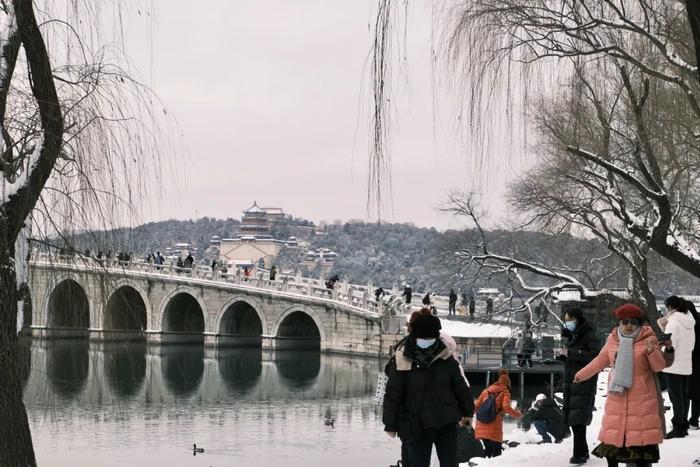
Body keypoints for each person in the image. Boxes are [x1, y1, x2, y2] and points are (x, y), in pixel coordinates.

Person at [574, 303, 667, 467]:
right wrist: (581, 375)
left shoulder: (648, 339)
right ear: (619, 323)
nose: (629, 326)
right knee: (614, 448)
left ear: (639, 323)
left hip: (642, 402)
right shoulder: (612, 340)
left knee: (639, 454)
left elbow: (659, 367)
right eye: (625, 322)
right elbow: (600, 361)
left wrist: (652, 351)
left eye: (633, 322)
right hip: (617, 400)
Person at [383, 314, 474, 467]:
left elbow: (460, 387)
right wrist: (390, 424)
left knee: (450, 463)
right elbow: (393, 394)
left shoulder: (446, 357)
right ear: (415, 335)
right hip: (416, 424)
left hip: (446, 421)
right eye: (424, 338)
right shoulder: (402, 359)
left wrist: (468, 412)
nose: (427, 341)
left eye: (430, 338)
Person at [556, 308, 599, 464]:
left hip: (584, 381)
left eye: (569, 319)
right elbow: (571, 356)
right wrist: (563, 354)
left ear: (577, 319)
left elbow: (594, 356)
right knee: (575, 418)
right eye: (566, 319)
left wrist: (571, 352)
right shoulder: (572, 335)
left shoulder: (589, 333)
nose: (567, 322)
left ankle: (579, 454)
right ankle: (583, 451)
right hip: (572, 381)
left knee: (578, 419)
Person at [659, 296, 696, 438]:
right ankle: (683, 424)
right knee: (684, 396)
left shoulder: (674, 322)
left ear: (670, 308)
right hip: (686, 362)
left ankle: (678, 426)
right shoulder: (689, 322)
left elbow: (669, 344)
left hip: (672, 364)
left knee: (676, 398)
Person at [473, 369, 523, 458]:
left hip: (481, 422)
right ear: (508, 384)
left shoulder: (486, 391)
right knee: (497, 450)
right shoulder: (505, 392)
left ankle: (485, 464)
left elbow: (476, 406)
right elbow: (506, 407)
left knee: (487, 449)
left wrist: (465, 416)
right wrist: (518, 415)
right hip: (494, 423)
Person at [686, 300, 700, 430]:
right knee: (697, 394)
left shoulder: (684, 323)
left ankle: (683, 420)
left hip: (686, 359)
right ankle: (694, 420)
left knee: (684, 391)